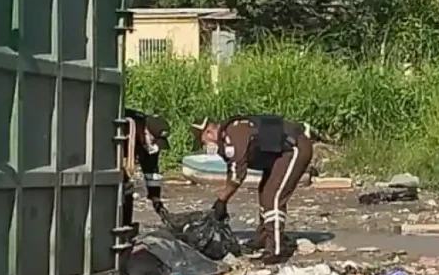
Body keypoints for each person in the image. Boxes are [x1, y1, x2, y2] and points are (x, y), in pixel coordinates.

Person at [192, 114, 314, 264]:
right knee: (265, 192)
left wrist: (221, 201)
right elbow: (233, 169)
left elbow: (238, 175)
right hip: (277, 155)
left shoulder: (234, 134)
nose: (205, 146)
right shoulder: (228, 136)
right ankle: (263, 238)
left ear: (209, 133)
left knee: (273, 198)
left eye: (203, 141)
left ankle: (276, 248)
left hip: (295, 148)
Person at [120, 109, 171, 223]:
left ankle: (125, 227)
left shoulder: (149, 145)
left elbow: (151, 171)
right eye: (153, 140)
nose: (154, 146)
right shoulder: (128, 126)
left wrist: (155, 198)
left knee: (127, 190)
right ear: (145, 131)